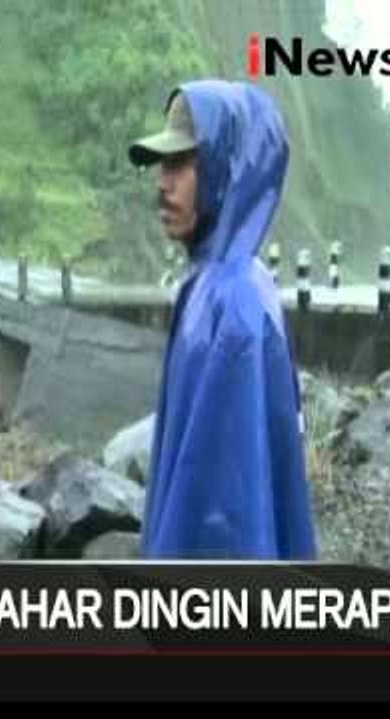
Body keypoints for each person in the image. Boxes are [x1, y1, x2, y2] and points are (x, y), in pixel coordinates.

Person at [128, 80, 317, 560]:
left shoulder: (233, 303)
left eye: (179, 163)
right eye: (161, 165)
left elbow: (226, 520)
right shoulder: (217, 282)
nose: (162, 182)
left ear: (225, 168)